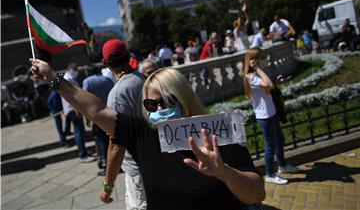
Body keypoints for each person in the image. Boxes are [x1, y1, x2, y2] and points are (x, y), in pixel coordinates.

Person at [31, 59, 266, 210]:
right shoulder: (143, 134)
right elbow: (97, 110)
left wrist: (225, 173)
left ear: (184, 97)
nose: (160, 109)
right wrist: (54, 78)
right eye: (152, 105)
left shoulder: (216, 132)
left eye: (167, 101)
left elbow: (256, 193)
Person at [241, 49, 299, 185]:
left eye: (258, 58)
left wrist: (277, 83)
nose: (257, 61)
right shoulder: (250, 77)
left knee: (280, 140)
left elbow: (268, 89)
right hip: (264, 116)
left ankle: (282, 166)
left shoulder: (256, 75)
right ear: (248, 61)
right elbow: (268, 85)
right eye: (254, 58)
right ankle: (270, 174)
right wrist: (259, 69)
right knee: (270, 146)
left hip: (271, 113)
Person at [101, 39, 147, 210]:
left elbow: (116, 146)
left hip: (137, 169)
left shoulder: (117, 94)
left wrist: (107, 187)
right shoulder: (141, 78)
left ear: (105, 63)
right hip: (149, 160)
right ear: (128, 57)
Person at [82, 64, 114, 176]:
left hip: (97, 116)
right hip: (110, 113)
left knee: (101, 141)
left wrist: (87, 117)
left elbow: (85, 101)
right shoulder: (107, 79)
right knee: (111, 140)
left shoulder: (87, 81)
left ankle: (107, 166)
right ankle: (115, 164)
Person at [62, 63, 96, 163]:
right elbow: (71, 97)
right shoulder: (67, 79)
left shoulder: (68, 78)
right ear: (72, 70)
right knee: (79, 132)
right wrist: (77, 109)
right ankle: (82, 154)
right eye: (76, 70)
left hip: (73, 108)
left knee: (80, 131)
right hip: (74, 109)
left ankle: (83, 151)